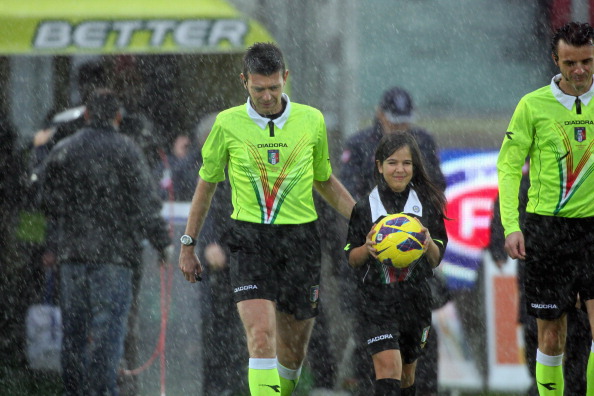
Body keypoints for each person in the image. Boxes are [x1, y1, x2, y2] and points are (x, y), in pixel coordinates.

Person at [178, 42, 355, 396]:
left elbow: (325, 181)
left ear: (285, 78)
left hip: (301, 242)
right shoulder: (227, 124)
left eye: (274, 87)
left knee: (292, 350)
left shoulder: (312, 120)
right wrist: (188, 243)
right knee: (260, 337)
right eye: (259, 89)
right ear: (245, 81)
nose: (268, 96)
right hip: (250, 242)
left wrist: (363, 219)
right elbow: (206, 187)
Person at [39, 89, 172, 396]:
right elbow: (146, 204)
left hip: (72, 257)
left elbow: (43, 198)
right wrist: (162, 243)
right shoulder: (127, 150)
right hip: (114, 258)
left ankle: (75, 391)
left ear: (86, 115)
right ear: (117, 117)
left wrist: (71, 213)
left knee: (73, 334)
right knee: (107, 336)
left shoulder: (64, 149)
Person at [497, 21, 594, 396]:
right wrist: (510, 225)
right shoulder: (532, 105)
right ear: (556, 60)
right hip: (547, 230)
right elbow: (507, 166)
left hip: (592, 231)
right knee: (551, 335)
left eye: (586, 61)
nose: (580, 70)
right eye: (570, 63)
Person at [340, 86, 447, 396]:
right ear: (379, 115)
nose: (400, 128)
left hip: (414, 261)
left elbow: (437, 190)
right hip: (372, 266)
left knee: (417, 350)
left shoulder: (424, 142)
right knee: (374, 347)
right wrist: (379, 230)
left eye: (404, 122)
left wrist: (419, 234)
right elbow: (347, 198)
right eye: (394, 121)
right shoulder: (359, 145)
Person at [489, 169, 590, 396]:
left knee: (577, 332)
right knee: (536, 330)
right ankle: (538, 385)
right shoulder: (524, 179)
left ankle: (575, 387)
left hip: (574, 263)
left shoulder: (579, 180)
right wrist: (498, 243)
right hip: (535, 265)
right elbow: (504, 206)